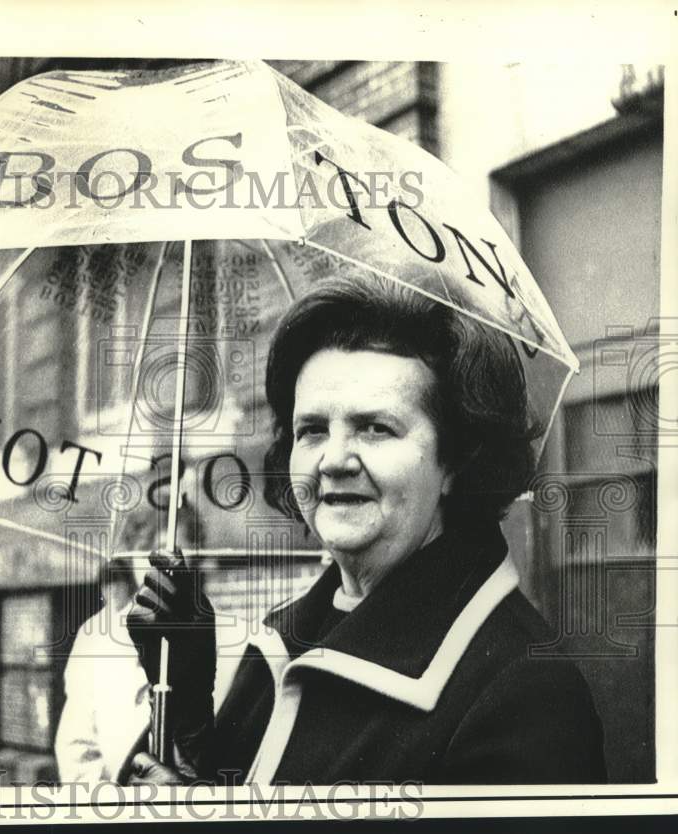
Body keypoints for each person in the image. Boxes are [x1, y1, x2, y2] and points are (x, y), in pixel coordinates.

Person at [124, 275, 607, 786]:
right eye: (311, 430)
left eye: (375, 427)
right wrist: (181, 694)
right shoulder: (280, 644)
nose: (332, 460)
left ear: (458, 458)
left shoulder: (526, 692)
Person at [54, 504, 204, 783]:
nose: (169, 565)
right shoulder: (98, 639)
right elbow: (76, 753)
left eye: (180, 551)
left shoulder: (230, 639)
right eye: (154, 550)